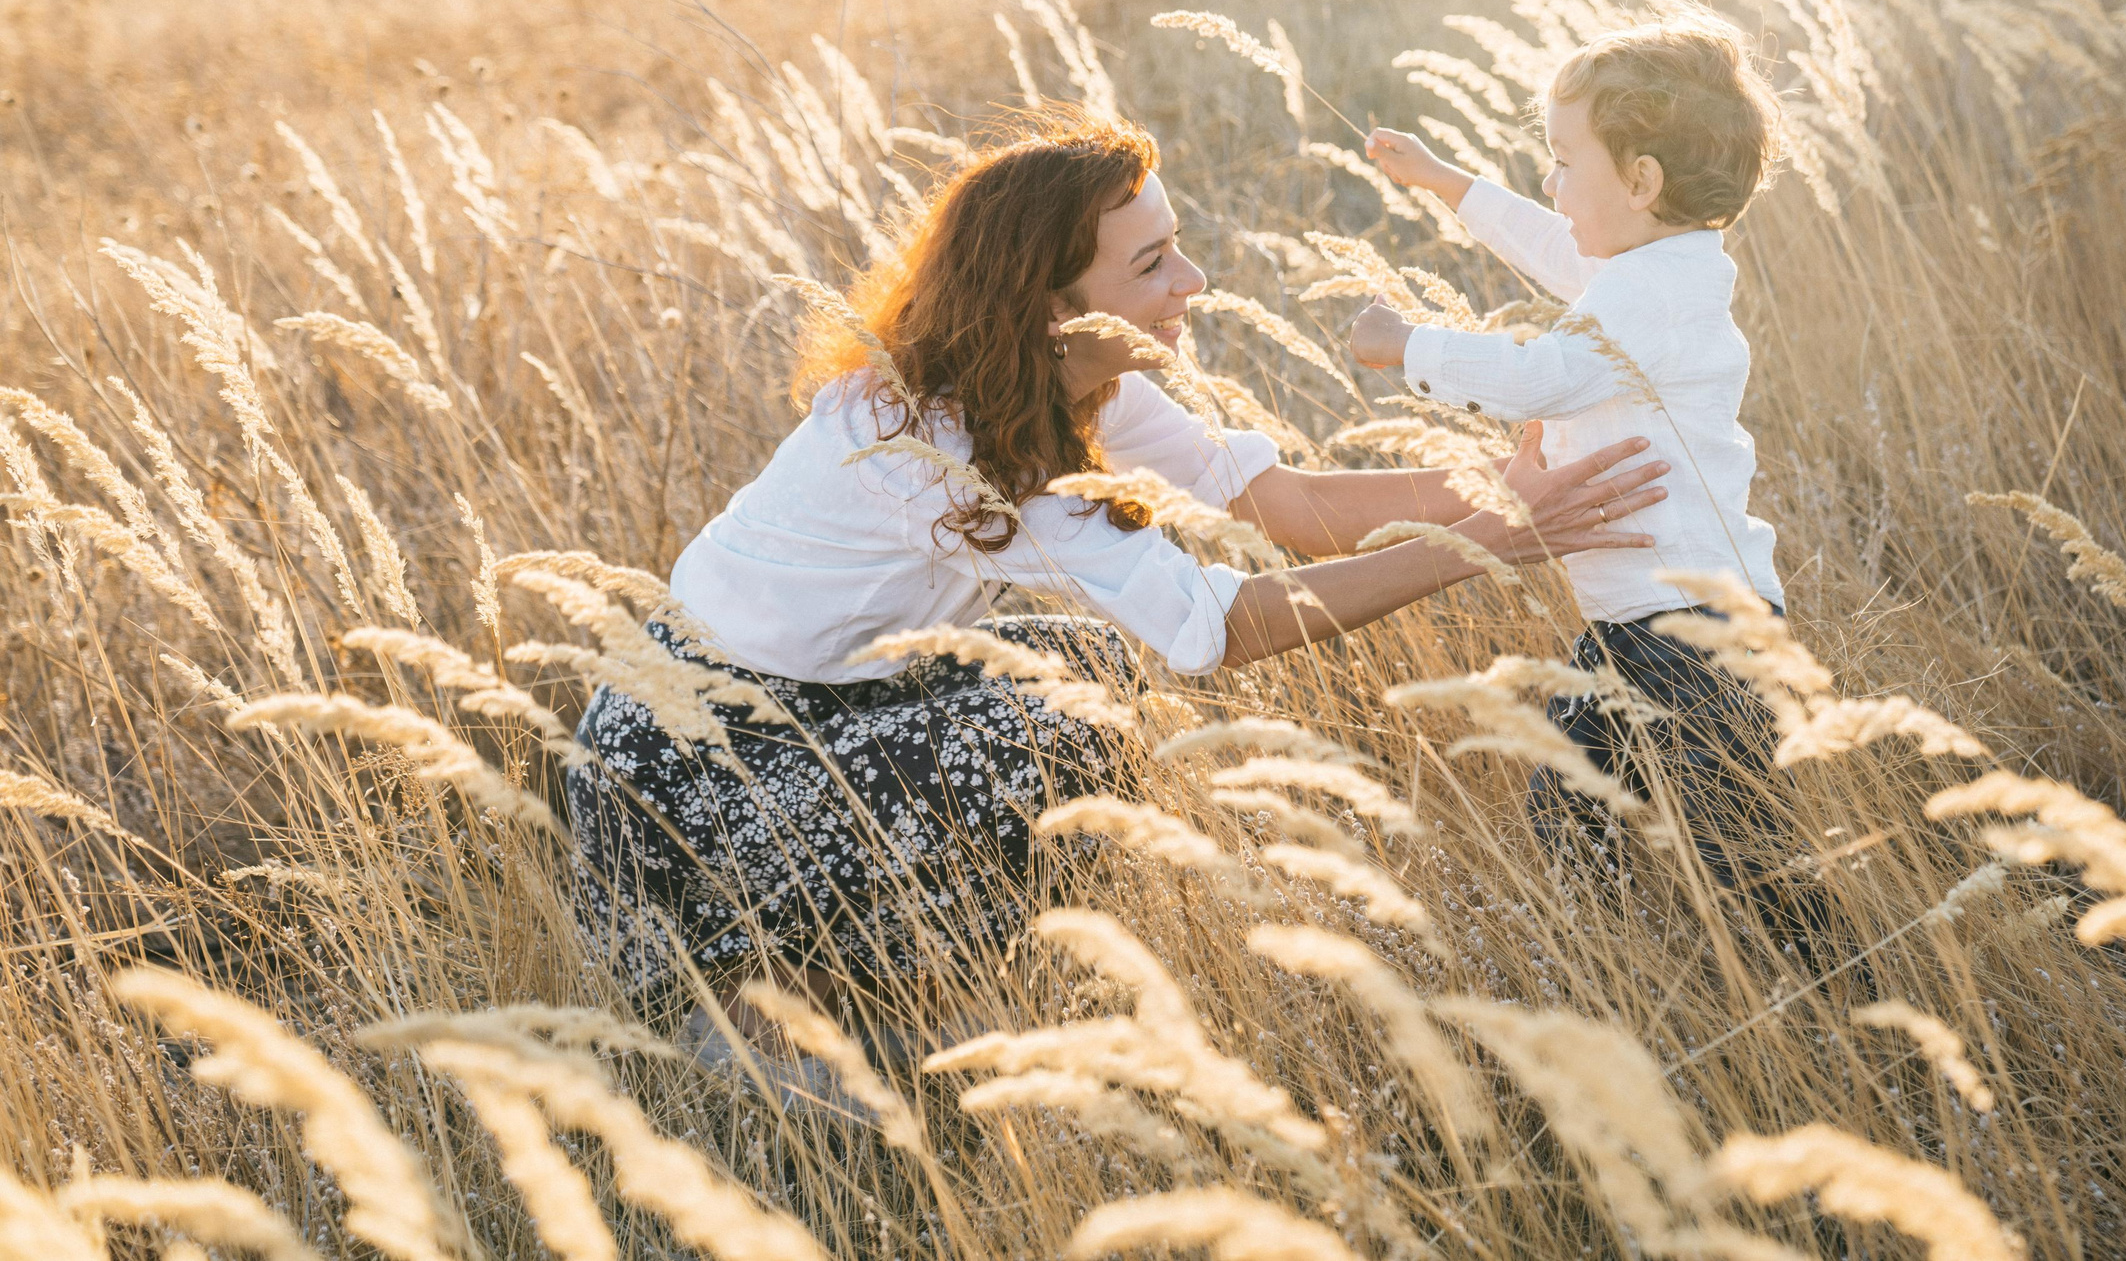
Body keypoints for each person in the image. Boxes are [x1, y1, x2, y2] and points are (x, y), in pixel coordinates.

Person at [566, 107, 1667, 1064]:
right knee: (1052, 725)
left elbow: (1271, 501)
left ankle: (887, 998)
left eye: (1174, 249)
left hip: (814, 715)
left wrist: (1495, 484)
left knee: (1084, 675)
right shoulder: (942, 445)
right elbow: (1222, 626)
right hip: (685, 778)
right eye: (1150, 267)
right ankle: (752, 1011)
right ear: (1048, 302)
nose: (1191, 283)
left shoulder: (1081, 368)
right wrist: (1488, 540)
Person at [1353, 17, 1802, 923]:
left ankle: (1822, 996)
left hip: (1695, 637)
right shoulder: (1651, 265)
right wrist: (1447, 183)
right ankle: (1624, 963)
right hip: (1636, 626)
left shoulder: (1650, 294)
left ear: (1641, 182)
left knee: (1741, 863)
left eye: (1563, 162)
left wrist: (1410, 347)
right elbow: (1560, 247)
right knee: (1571, 812)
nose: (1549, 183)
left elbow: (1544, 379)